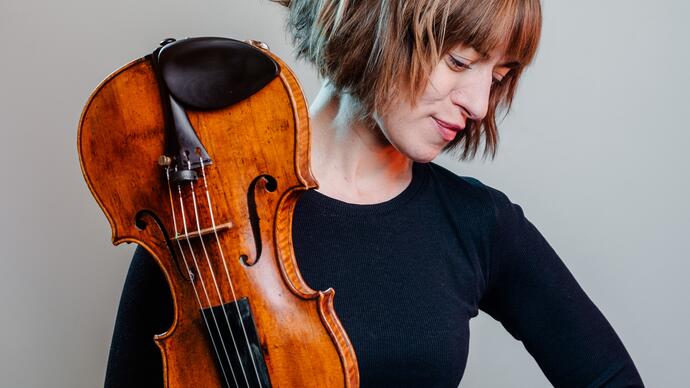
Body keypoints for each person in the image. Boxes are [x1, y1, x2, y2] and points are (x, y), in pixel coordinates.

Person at [105, 0, 645, 387]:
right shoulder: (208, 210)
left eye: (498, 76)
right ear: (375, 20)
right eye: (460, 61)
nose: (480, 103)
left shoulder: (481, 225)